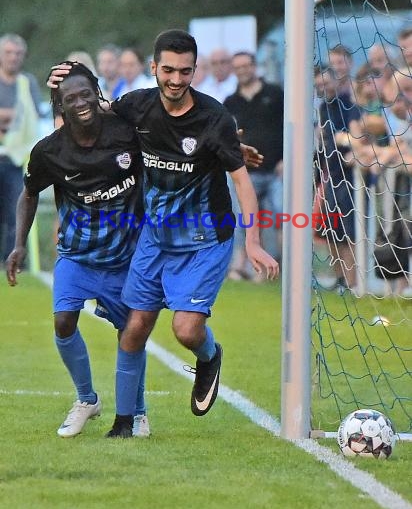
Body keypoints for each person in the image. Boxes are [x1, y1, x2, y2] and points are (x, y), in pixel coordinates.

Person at [105, 29, 279, 435]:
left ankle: (209, 355)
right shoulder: (136, 105)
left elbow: (243, 185)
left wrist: (253, 242)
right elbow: (94, 117)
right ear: (154, 68)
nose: (176, 79)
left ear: (195, 71)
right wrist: (71, 79)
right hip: (156, 236)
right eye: (168, 70)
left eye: (185, 71)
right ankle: (126, 420)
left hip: (206, 239)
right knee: (134, 327)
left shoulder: (215, 117)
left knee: (185, 329)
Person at [6, 61, 149, 439]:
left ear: (97, 94)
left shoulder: (126, 133)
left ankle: (137, 413)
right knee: (63, 320)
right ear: (61, 106)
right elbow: (29, 193)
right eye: (71, 98)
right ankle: (87, 399)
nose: (81, 102)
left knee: (129, 332)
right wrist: (19, 245)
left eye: (86, 93)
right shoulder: (50, 151)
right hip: (75, 255)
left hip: (125, 257)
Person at [224, 51, 284, 281]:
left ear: (254, 66)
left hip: (277, 168)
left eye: (246, 65)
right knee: (243, 219)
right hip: (245, 172)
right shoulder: (230, 102)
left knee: (283, 217)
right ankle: (240, 265)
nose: (243, 70)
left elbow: (288, 127)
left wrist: (284, 159)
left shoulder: (275, 94)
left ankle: (278, 266)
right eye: (237, 67)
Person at [316, 66, 363, 290]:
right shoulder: (323, 107)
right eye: (319, 85)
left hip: (349, 176)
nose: (322, 88)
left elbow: (356, 136)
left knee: (349, 230)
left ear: (336, 81)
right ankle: (340, 278)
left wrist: (344, 139)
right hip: (331, 174)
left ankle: (352, 281)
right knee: (330, 229)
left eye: (326, 83)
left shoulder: (349, 105)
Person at [0, 33, 40, 264]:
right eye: (8, 53)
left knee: (16, 216)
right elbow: (20, 117)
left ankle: (13, 263)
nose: (13, 58)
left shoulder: (27, 83)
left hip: (16, 161)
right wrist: (13, 116)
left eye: (17, 54)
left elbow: (32, 116)